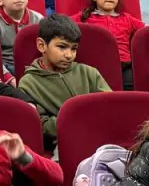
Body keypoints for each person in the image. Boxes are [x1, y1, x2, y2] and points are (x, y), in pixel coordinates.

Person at [18, 15, 111, 146]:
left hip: (101, 136)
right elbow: (41, 124)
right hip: (65, 142)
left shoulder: (89, 72)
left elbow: (109, 106)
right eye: (62, 47)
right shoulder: (29, 83)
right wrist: (79, 121)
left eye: (74, 49)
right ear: (41, 45)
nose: (69, 55)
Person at [80, 0, 143, 90]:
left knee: (133, 86)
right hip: (94, 66)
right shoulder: (85, 17)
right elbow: (64, 24)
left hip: (123, 65)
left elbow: (147, 32)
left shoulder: (127, 18)